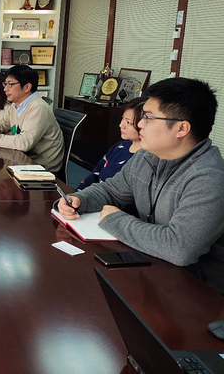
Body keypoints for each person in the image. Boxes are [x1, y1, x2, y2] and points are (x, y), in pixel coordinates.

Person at [57, 77, 224, 294]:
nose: (140, 124)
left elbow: (180, 248)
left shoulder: (209, 177)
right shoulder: (148, 156)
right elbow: (111, 190)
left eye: (148, 118)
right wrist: (81, 199)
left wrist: (115, 220)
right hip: (149, 266)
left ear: (181, 128)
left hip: (196, 290)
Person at [0, 65, 64, 173]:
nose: (5, 89)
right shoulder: (16, 105)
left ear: (27, 87)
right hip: (22, 161)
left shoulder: (38, 108)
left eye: (10, 84)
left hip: (41, 168)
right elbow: (0, 124)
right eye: (5, 84)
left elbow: (24, 143)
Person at [77, 97, 146, 190]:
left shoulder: (144, 160)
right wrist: (78, 193)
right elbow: (95, 175)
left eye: (128, 122)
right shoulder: (119, 147)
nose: (121, 125)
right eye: (123, 119)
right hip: (93, 194)